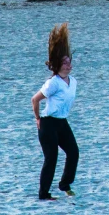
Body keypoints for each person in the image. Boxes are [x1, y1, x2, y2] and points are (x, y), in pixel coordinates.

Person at [30, 23, 79, 201]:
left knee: (73, 152)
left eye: (69, 62)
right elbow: (35, 99)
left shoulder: (72, 81)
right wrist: (37, 118)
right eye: (65, 63)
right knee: (51, 159)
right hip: (48, 123)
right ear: (58, 65)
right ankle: (43, 194)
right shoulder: (53, 83)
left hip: (62, 122)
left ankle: (65, 184)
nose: (68, 65)